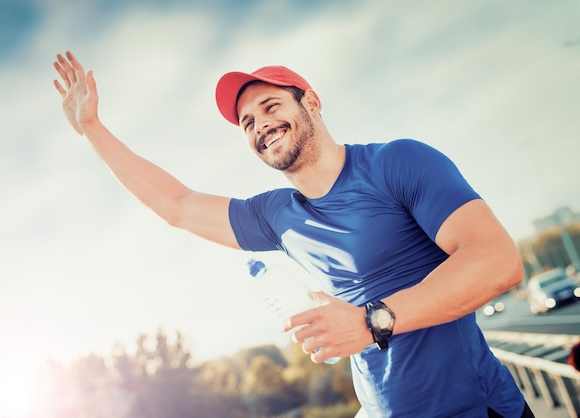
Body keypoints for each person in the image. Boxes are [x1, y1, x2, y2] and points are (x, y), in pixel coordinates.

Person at [52, 50, 534, 417]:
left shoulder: (396, 162)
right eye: (247, 122)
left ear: (312, 102)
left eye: (269, 105)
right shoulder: (278, 215)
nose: (259, 124)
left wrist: (371, 322)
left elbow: (496, 261)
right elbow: (176, 206)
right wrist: (92, 128)